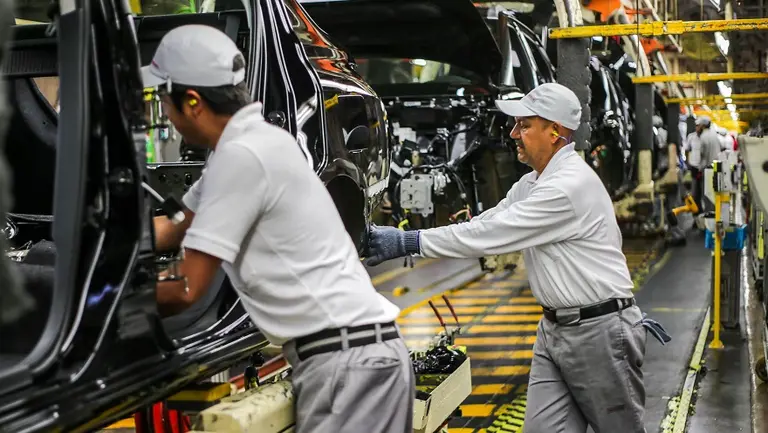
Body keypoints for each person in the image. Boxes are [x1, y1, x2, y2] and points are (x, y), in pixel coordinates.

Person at [143, 24, 413, 433]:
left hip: (349, 364)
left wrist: (106, 302)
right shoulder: (250, 146)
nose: (166, 113)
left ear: (193, 101)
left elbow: (185, 289)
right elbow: (176, 226)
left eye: (165, 100)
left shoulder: (243, 156)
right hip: (352, 357)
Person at [365, 82, 670, 433]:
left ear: (555, 132)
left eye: (524, 125)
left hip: (599, 333)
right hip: (554, 330)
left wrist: (408, 241)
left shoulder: (566, 188)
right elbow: (489, 221)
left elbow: (492, 235)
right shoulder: (533, 183)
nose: (512, 133)